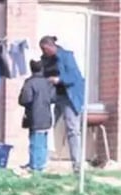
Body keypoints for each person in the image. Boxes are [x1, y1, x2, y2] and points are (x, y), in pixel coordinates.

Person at [38, 36, 85, 173]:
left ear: (51, 47)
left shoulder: (66, 57)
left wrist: (58, 80)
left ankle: (77, 164)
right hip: (53, 96)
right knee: (45, 125)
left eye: (45, 49)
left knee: (73, 129)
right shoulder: (45, 60)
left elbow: (75, 77)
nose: (43, 52)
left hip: (69, 96)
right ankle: (43, 161)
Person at [18, 60, 55, 172]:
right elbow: (53, 98)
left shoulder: (30, 83)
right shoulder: (48, 83)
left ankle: (34, 165)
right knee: (43, 142)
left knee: (35, 142)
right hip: (47, 116)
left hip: (35, 116)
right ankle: (41, 164)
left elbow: (25, 99)